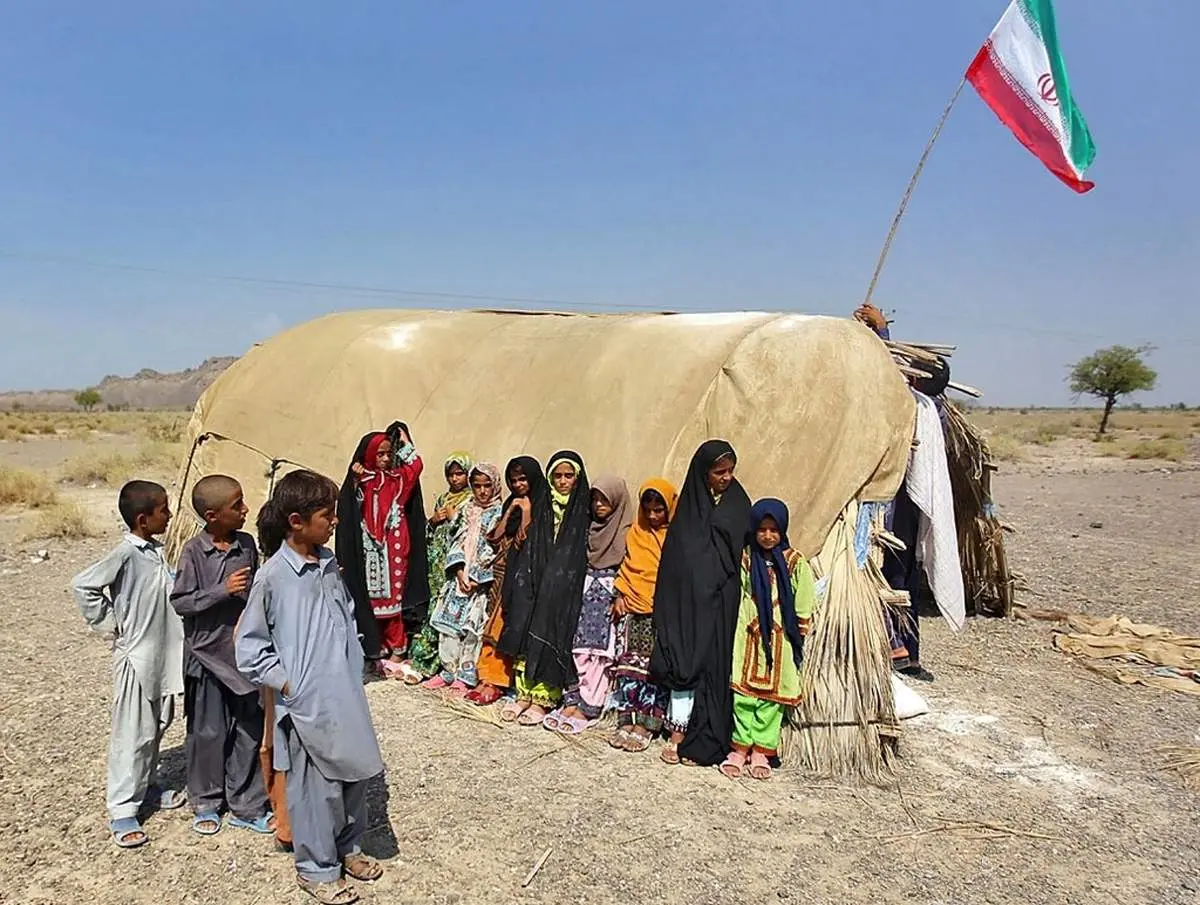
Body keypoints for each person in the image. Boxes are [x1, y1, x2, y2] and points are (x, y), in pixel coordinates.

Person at [237, 469, 385, 905]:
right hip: (305, 702)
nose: (335, 521)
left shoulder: (328, 565)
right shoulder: (273, 577)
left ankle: (348, 848)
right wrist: (288, 685)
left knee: (354, 774)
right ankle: (316, 867)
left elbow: (345, 616)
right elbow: (250, 647)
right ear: (297, 521)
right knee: (316, 787)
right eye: (328, 514)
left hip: (344, 694)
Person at [71, 480, 186, 848]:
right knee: (132, 734)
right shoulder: (124, 553)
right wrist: (111, 623)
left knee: (158, 724)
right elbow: (83, 586)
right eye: (163, 510)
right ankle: (122, 808)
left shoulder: (154, 551)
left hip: (161, 658)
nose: (168, 516)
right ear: (142, 519)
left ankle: (147, 786)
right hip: (137, 658)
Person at [170, 474, 272, 836]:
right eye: (237, 506)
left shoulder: (246, 544)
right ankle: (207, 800)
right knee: (208, 731)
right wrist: (221, 591)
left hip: (242, 655)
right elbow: (181, 601)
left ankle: (246, 802)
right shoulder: (194, 552)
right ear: (212, 515)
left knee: (248, 728)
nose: (245, 510)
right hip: (207, 655)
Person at [650, 440, 751, 767]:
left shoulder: (737, 503)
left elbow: (734, 552)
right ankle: (677, 731)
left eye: (730, 471)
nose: (726, 477)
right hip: (687, 600)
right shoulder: (689, 509)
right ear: (702, 472)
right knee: (684, 657)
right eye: (719, 472)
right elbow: (677, 559)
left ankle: (705, 737)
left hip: (720, 600)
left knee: (712, 665)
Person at [720, 499, 816, 781]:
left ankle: (762, 749)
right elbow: (737, 590)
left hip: (779, 637)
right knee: (743, 695)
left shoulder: (794, 561)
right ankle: (739, 748)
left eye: (774, 530)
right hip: (747, 635)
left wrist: (799, 627)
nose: (768, 536)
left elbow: (804, 597)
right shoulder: (747, 558)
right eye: (762, 529)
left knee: (771, 701)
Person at [498, 451, 591, 727]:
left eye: (568, 476)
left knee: (552, 633)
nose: (563, 482)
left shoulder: (582, 508)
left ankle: (543, 698)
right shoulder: (541, 502)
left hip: (564, 585)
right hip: (534, 579)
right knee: (526, 630)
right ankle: (523, 694)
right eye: (557, 476)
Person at [335, 423, 427, 680]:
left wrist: (406, 441)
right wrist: (355, 479)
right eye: (380, 454)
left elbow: (417, 464)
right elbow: (349, 508)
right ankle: (378, 648)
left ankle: (397, 649)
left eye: (389, 453)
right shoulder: (361, 480)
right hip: (368, 547)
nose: (386, 459)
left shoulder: (399, 480)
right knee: (372, 599)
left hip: (394, 547)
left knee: (394, 599)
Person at [547, 475, 632, 734]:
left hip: (609, 598)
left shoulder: (626, 532)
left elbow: (630, 566)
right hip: (584, 594)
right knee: (579, 649)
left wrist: (621, 595)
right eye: (595, 499)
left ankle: (590, 705)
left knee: (601, 655)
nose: (598, 505)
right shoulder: (589, 528)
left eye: (604, 499)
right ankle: (573, 699)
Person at [466, 456, 542, 708]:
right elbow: (496, 537)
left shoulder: (541, 504)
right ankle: (485, 677)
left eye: (523, 479)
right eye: (514, 480)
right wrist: (511, 510)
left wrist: (527, 510)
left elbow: (525, 539)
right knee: (491, 626)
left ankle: (497, 681)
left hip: (522, 577)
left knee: (504, 627)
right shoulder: (511, 502)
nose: (519, 484)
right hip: (502, 574)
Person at [608, 478, 677, 753]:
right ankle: (628, 720)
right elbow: (627, 567)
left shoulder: (674, 537)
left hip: (659, 611)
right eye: (647, 509)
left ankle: (647, 724)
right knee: (629, 670)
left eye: (659, 509)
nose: (652, 515)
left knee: (651, 671)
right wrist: (620, 594)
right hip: (633, 609)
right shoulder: (635, 534)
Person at [425, 463, 504, 691]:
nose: (482, 491)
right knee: (448, 625)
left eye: (487, 486)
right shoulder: (466, 509)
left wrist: (477, 576)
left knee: (472, 628)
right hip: (459, 577)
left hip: (480, 582)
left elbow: (494, 549)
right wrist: (459, 571)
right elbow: (455, 539)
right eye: (477, 486)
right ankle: (448, 670)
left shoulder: (499, 513)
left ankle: (466, 675)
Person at [406, 452, 474, 684]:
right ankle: (424, 660)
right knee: (433, 606)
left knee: (448, 610)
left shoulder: (472, 500)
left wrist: (455, 519)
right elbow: (430, 533)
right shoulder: (444, 498)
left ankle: (442, 664)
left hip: (455, 565)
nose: (455, 479)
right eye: (451, 474)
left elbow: (470, 534)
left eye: (459, 473)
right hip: (436, 563)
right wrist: (433, 521)